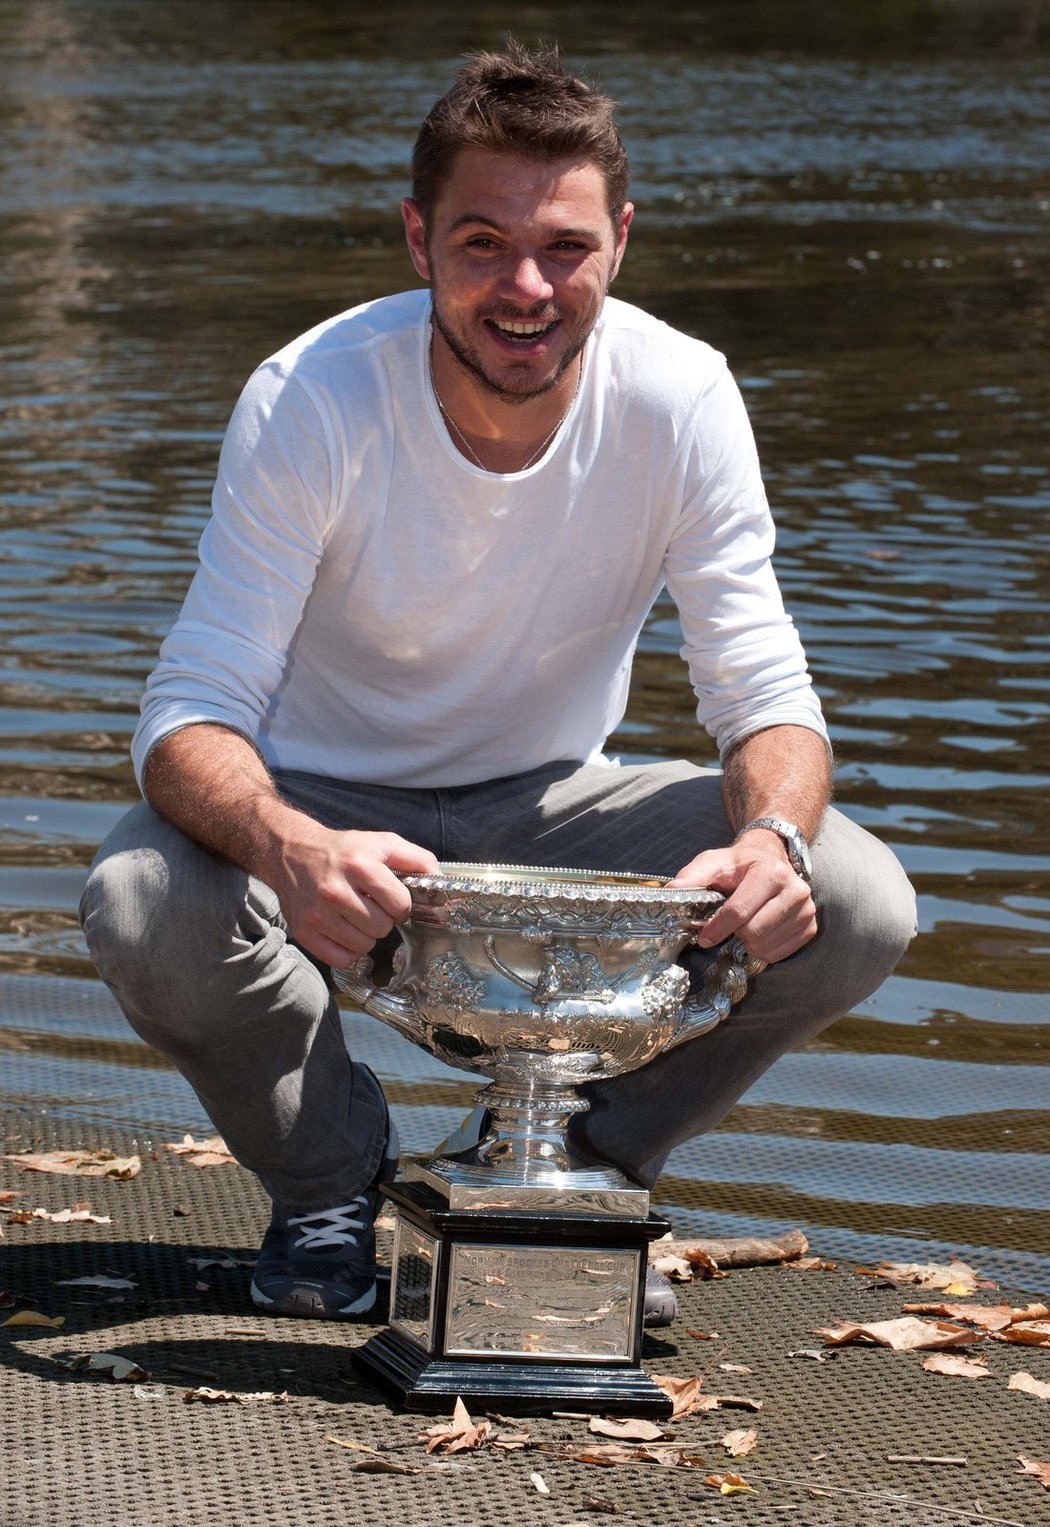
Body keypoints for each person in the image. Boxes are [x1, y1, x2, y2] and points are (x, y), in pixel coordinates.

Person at [80, 42, 916, 1328]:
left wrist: (770, 836)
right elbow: (186, 715)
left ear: (620, 242)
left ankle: (560, 1179)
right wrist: (292, 844)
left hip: (550, 805)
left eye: (565, 248)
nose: (525, 287)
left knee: (852, 896)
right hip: (323, 805)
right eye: (482, 242)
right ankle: (326, 1188)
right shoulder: (310, 397)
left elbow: (765, 695)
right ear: (418, 240)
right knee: (142, 899)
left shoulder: (682, 394)